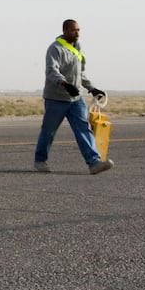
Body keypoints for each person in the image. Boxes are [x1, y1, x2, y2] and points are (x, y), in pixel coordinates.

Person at [35, 18, 113, 174]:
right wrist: (64, 84)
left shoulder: (78, 47)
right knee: (48, 131)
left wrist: (92, 88)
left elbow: (80, 73)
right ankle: (40, 160)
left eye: (78, 30)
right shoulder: (55, 49)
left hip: (75, 99)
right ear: (65, 31)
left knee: (83, 129)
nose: (77, 33)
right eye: (73, 30)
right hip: (56, 99)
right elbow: (52, 71)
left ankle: (94, 162)